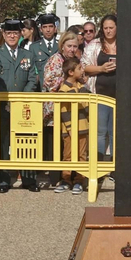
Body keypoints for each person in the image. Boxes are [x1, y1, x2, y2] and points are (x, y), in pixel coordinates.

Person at [0, 18, 40, 192]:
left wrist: (21, 99)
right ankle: (3, 180)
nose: (12, 36)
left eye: (15, 33)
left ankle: (29, 179)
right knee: (2, 141)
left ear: (20, 34)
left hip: (23, 105)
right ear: (4, 34)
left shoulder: (27, 55)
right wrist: (5, 98)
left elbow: (32, 79)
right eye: (9, 33)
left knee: (26, 140)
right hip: (1, 104)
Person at [84, 15, 118, 171]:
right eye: (105, 28)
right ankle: (98, 166)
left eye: (111, 27)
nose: (108, 31)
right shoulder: (95, 44)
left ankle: (116, 167)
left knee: (116, 131)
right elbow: (84, 66)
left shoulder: (125, 43)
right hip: (100, 94)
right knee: (100, 131)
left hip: (120, 95)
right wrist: (101, 68)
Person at [55, 58, 91, 193]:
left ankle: (80, 180)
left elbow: (88, 102)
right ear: (71, 72)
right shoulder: (63, 89)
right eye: (79, 69)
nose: (82, 71)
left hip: (82, 127)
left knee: (82, 155)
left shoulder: (81, 87)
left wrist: (84, 84)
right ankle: (66, 179)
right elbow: (63, 111)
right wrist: (70, 127)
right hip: (69, 130)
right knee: (68, 154)